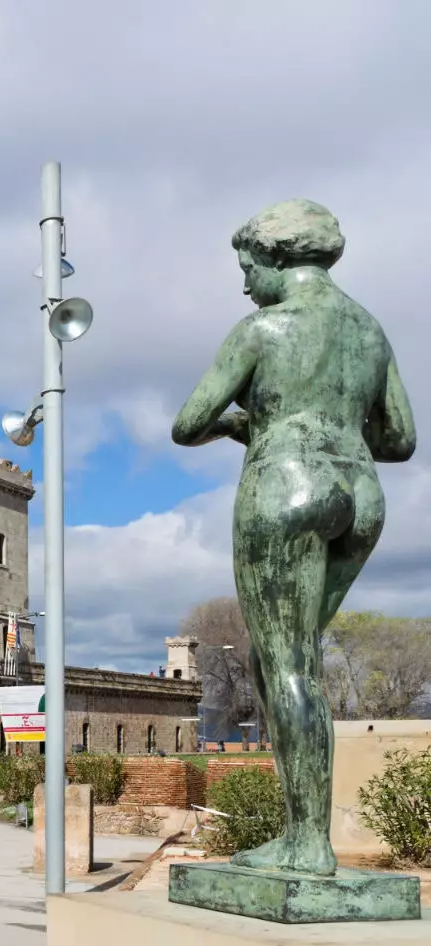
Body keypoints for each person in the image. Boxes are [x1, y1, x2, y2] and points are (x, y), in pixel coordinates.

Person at [174, 200, 416, 875]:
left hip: (285, 486)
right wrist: (335, 425)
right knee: (286, 661)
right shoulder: (369, 332)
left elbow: (189, 422)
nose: (244, 282)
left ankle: (307, 843)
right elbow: (400, 439)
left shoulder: (261, 329)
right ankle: (301, 832)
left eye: (247, 266)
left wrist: (244, 426)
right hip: (361, 494)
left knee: (286, 668)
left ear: (276, 258)